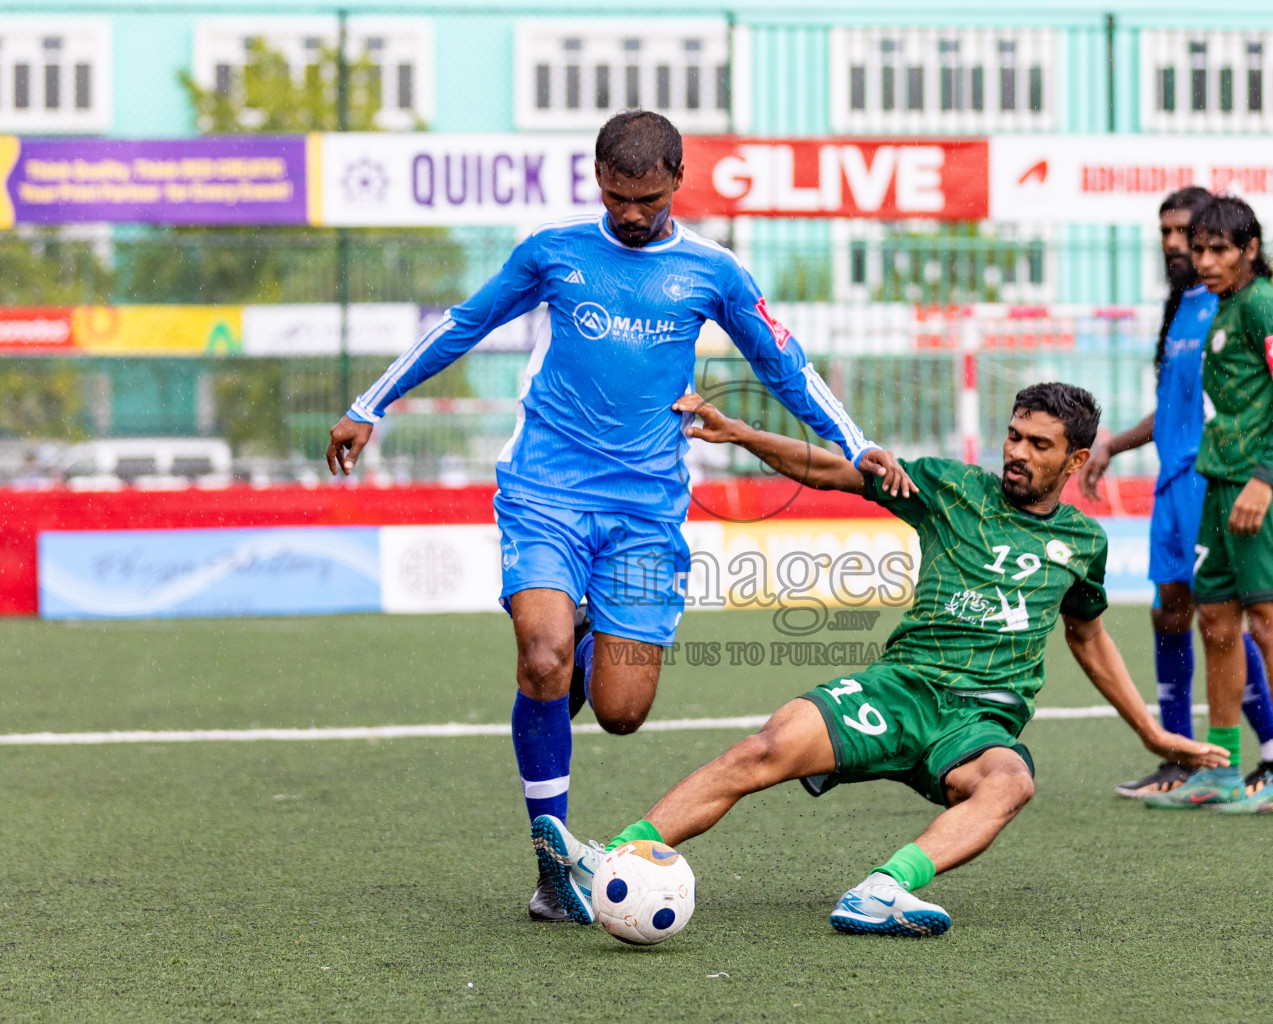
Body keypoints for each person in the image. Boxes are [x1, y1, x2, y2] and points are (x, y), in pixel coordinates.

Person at [325, 111, 910, 921]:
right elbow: (465, 323)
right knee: (540, 657)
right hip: (545, 492)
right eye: (615, 195)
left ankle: (583, 646)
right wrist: (370, 404)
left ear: (677, 180)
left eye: (647, 197)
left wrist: (857, 441)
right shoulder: (554, 251)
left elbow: (784, 364)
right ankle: (552, 862)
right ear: (596, 178)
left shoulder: (713, 271)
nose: (630, 213)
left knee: (622, 713)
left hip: (644, 512)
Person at [534, 383, 1228, 937]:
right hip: (897, 691)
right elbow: (834, 471)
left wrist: (1151, 733)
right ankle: (611, 862)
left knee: (1010, 781)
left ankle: (884, 888)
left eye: (1039, 445)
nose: (1017, 452)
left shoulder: (1083, 542)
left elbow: (1090, 636)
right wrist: (742, 434)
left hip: (976, 724)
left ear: (1076, 461)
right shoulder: (951, 488)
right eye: (1014, 435)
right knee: (768, 746)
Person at [1079, 187, 1273, 799]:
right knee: (1169, 611)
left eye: (1184, 232)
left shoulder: (1232, 306)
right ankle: (1179, 756)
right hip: (1170, 483)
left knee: (1216, 615)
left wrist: (1260, 476)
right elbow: (1174, 410)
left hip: (1208, 480)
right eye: (1164, 232)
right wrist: (1114, 444)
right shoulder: (1181, 308)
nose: (1172, 244)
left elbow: (1270, 395)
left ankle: (1271, 754)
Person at [1146, 195, 1273, 816]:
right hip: (1216, 484)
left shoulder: (1263, 305)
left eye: (1217, 249)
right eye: (1197, 249)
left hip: (1257, 491)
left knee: (1269, 624)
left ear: (1249, 249)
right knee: (1216, 623)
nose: (1203, 260)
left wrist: (1265, 480)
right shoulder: (1222, 307)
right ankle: (1220, 771)